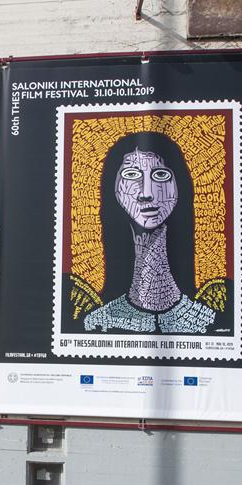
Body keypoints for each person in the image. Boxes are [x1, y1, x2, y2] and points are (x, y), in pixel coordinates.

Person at [82, 131, 215, 334]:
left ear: (179, 185)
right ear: (113, 187)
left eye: (161, 175)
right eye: (131, 175)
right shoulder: (97, 323)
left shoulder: (211, 320)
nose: (147, 193)